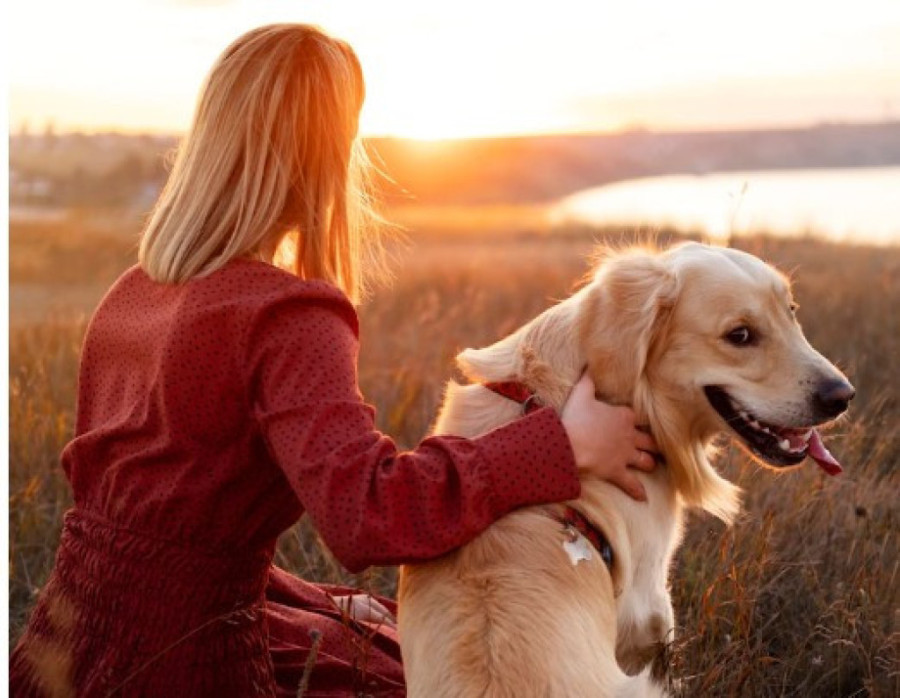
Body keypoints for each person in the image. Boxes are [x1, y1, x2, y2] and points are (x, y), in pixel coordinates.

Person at [9, 24, 658, 698]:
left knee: (369, 630)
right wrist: (561, 441)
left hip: (63, 647)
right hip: (187, 668)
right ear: (329, 156)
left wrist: (317, 604)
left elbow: (157, 530)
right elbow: (369, 514)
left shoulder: (133, 291)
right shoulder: (286, 315)